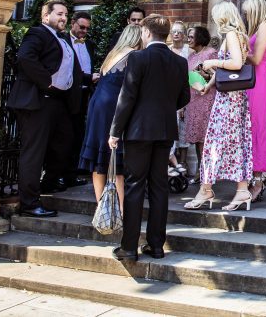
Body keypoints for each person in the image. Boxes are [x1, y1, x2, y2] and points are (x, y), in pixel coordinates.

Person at [109, 14, 190, 261]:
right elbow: (184, 97)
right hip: (165, 129)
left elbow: (127, 97)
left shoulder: (137, 58)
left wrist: (115, 130)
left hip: (138, 130)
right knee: (159, 187)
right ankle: (156, 245)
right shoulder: (179, 62)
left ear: (146, 33)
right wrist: (166, 108)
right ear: (165, 35)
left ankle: (129, 247)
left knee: (134, 186)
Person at [8, 0, 83, 218]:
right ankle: (29, 203)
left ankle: (48, 183)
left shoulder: (62, 39)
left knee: (64, 142)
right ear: (46, 16)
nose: (63, 18)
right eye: (59, 14)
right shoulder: (37, 33)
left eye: (66, 15)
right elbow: (24, 58)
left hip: (57, 102)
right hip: (37, 100)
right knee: (34, 152)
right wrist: (46, 81)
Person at [186, 2, 255, 212]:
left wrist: (212, 63)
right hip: (233, 98)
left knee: (214, 143)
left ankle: (206, 189)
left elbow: (234, 64)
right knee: (235, 143)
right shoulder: (237, 35)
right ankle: (241, 190)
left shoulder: (232, 35)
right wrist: (208, 85)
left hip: (229, 100)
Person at [78, 25, 142, 211]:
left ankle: (101, 208)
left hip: (97, 105)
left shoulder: (114, 53)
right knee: (115, 162)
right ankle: (120, 211)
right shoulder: (133, 55)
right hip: (111, 108)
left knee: (99, 160)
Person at [242, 0, 266, 202]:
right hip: (255, 78)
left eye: (248, 12)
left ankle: (258, 179)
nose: (246, 16)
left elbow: (257, 59)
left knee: (257, 128)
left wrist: (238, 49)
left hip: (259, 79)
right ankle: (251, 177)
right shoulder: (264, 27)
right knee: (251, 128)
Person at [65, 11, 100, 189]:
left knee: (79, 135)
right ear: (72, 23)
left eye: (87, 28)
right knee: (65, 137)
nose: (84, 31)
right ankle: (60, 174)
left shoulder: (90, 45)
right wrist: (88, 78)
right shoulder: (63, 40)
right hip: (68, 95)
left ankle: (73, 174)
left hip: (86, 95)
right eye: (81, 27)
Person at [184, 26, 217, 182]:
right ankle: (200, 170)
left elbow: (217, 75)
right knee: (197, 139)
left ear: (200, 38)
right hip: (193, 99)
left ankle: (206, 173)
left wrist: (205, 75)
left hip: (206, 98)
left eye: (191, 37)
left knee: (205, 138)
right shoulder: (190, 56)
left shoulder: (210, 53)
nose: (188, 39)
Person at [167, 21, 191, 177]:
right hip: (170, 95)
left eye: (179, 32)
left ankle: (183, 163)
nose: (176, 34)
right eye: (173, 31)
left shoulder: (189, 51)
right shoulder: (167, 50)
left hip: (187, 94)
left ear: (184, 34)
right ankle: (170, 163)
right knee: (171, 130)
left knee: (184, 131)